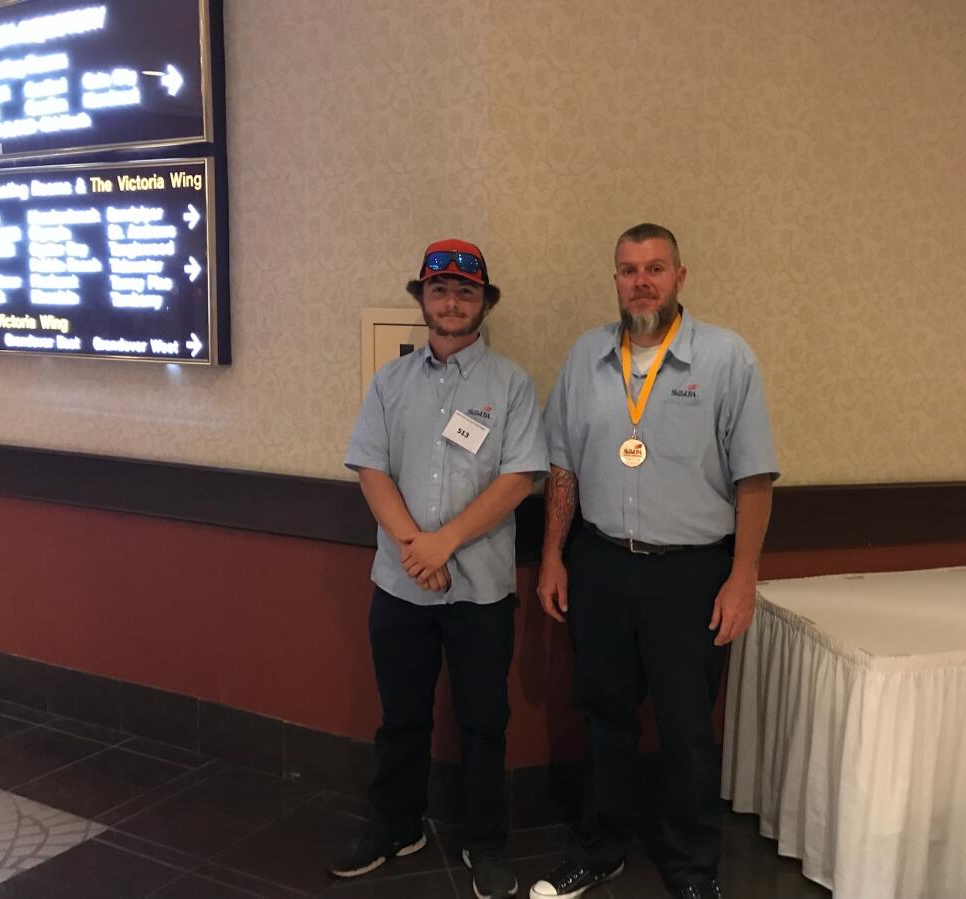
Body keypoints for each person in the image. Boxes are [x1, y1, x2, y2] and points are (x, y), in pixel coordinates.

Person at [532, 224, 778, 899]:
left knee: (687, 729)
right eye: (627, 269)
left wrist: (743, 574)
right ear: (614, 278)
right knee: (605, 717)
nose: (640, 280)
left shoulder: (727, 360)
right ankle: (603, 846)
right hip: (603, 564)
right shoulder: (586, 357)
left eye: (655, 268)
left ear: (680, 276)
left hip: (689, 574)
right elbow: (561, 466)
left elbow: (754, 479)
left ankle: (695, 868)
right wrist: (553, 555)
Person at [331, 239, 547, 899]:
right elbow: (370, 467)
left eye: (466, 291)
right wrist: (412, 547)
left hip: (480, 590)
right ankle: (397, 824)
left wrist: (442, 542)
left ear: (484, 303)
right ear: (421, 298)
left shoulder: (509, 383)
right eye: (440, 289)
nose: (452, 302)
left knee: (485, 721)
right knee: (401, 715)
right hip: (400, 586)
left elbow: (520, 479)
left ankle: (486, 845)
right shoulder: (390, 382)